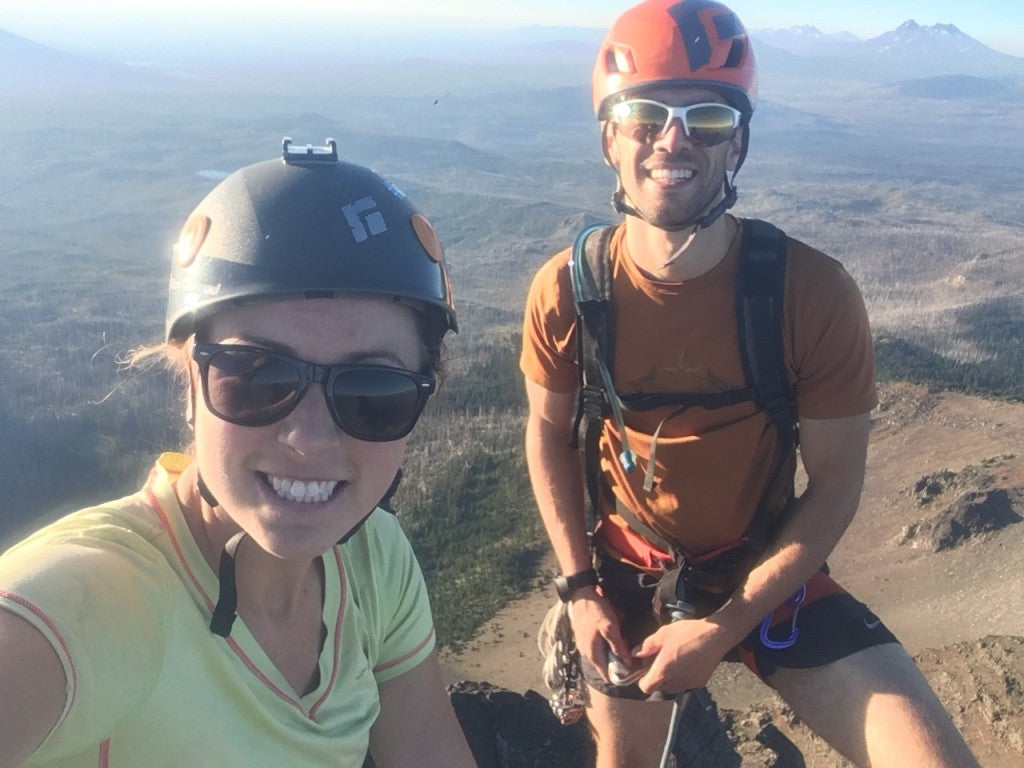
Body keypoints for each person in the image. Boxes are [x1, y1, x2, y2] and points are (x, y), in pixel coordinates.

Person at [520, 2, 978, 766]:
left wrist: (725, 624)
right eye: (644, 115)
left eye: (704, 118)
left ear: (736, 145)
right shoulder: (570, 291)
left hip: (764, 576)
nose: (674, 140)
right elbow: (546, 434)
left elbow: (834, 485)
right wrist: (578, 590)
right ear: (609, 137)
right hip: (627, 577)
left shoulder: (810, 292)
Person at [0, 139, 476, 767]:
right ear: (188, 387)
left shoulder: (373, 560)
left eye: (372, 393)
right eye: (256, 378)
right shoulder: (97, 597)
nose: (308, 438)